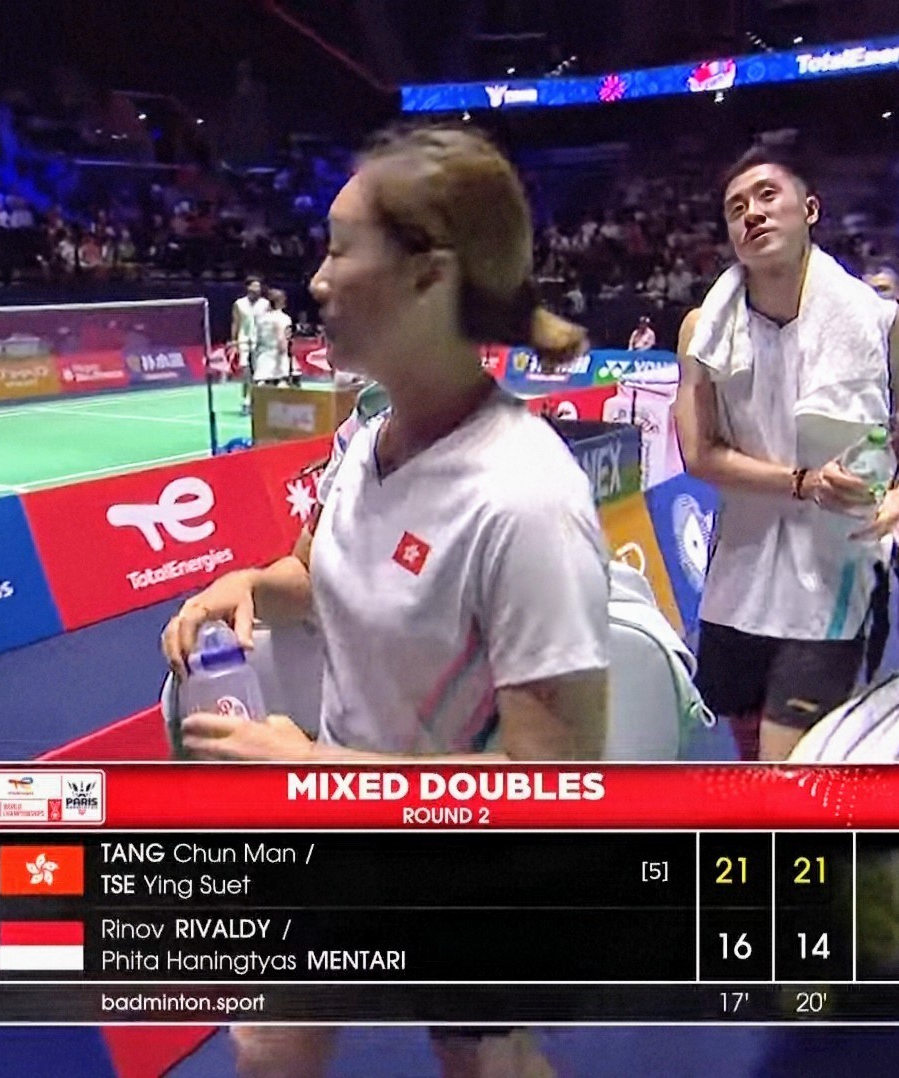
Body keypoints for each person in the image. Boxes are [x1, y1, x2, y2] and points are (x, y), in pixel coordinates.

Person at [162, 123, 610, 1078]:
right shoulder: (366, 441)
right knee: (269, 1044)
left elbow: (552, 791)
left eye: (339, 249)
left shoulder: (524, 499)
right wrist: (248, 584)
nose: (316, 280)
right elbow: (318, 576)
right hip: (342, 827)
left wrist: (312, 767)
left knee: (483, 1064)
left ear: (426, 275)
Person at [674, 147, 899, 763]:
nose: (752, 213)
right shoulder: (702, 330)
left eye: (768, 195)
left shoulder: (882, 323)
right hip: (738, 573)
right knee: (747, 741)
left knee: (785, 765)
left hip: (833, 573)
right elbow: (699, 452)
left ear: (811, 210)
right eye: (736, 208)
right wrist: (802, 481)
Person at [231, 276, 269, 414]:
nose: (256, 289)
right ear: (247, 287)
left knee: (259, 373)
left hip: (260, 341)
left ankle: (255, 401)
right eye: (253, 286)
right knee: (246, 371)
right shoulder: (239, 304)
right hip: (243, 341)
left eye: (258, 286)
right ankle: (246, 399)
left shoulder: (265, 304)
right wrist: (234, 341)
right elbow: (236, 322)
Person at [253, 287, 295, 385]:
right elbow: (282, 338)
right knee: (280, 385)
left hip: (262, 357)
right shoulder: (283, 318)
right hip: (277, 359)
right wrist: (284, 352)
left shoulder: (261, 319)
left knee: (261, 385)